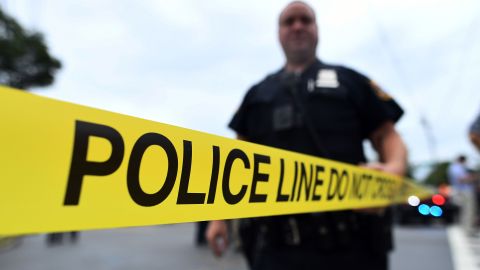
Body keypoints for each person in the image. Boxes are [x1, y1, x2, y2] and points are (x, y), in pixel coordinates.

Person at [206, 2, 407, 270]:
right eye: (289, 21)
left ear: (317, 29)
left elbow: (387, 136)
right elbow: (237, 159)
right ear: (278, 33)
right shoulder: (257, 93)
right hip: (276, 248)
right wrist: (220, 218)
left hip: (351, 246)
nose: (297, 26)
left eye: (305, 20)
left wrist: (393, 169)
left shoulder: (350, 81)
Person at [448, 155, 476, 234]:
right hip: (464, 190)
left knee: (464, 211)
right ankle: (467, 229)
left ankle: (466, 228)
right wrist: (474, 178)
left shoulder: (453, 167)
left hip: (461, 190)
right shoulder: (457, 168)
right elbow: (461, 179)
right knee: (468, 210)